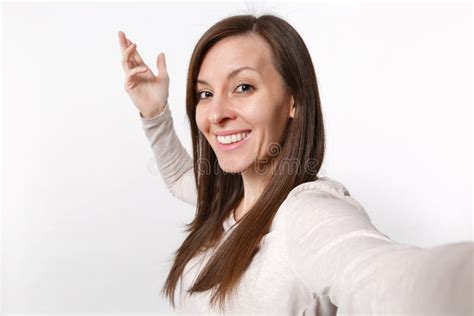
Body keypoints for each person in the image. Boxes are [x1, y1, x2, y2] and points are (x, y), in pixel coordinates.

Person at [118, 14, 473, 315]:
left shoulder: (306, 213)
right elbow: (180, 175)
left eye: (243, 87)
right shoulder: (229, 200)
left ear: (293, 102)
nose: (216, 114)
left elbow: (386, 276)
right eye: (205, 93)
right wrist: (154, 113)